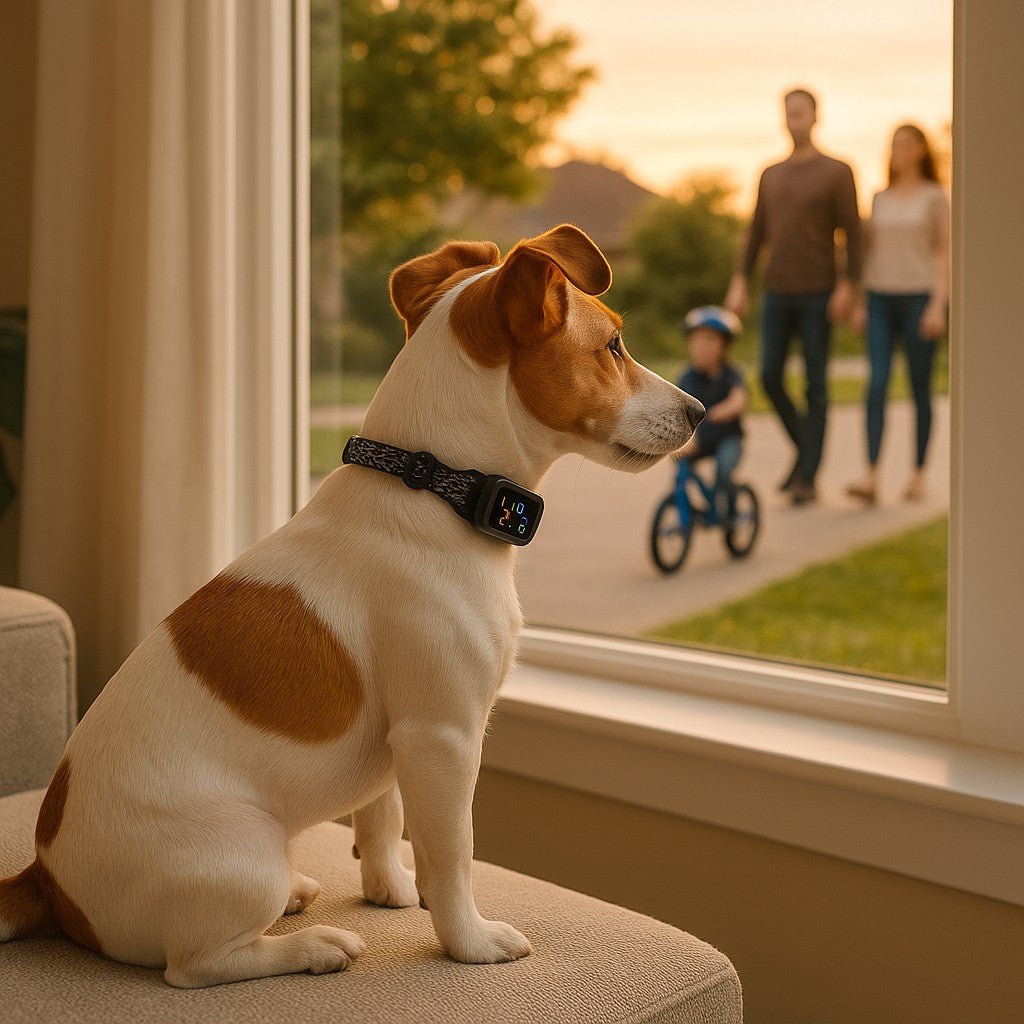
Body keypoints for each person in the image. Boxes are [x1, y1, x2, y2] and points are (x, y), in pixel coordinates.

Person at [725, 88, 863, 505]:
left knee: (815, 386)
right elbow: (756, 230)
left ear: (815, 117)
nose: (793, 121)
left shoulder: (838, 171)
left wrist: (848, 286)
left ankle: (806, 479)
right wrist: (739, 280)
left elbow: (853, 233)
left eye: (800, 113)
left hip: (819, 291)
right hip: (777, 290)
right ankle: (808, 455)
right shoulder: (770, 174)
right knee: (769, 375)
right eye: (788, 114)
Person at [846, 124, 950, 504]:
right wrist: (859, 302)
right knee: (876, 385)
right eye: (894, 145)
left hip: (919, 299)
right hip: (879, 298)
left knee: (919, 388)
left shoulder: (936, 197)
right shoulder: (880, 197)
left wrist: (939, 304)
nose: (898, 151)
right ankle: (871, 476)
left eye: (905, 144)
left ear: (922, 150)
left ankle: (918, 475)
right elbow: (867, 252)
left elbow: (942, 253)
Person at [676, 306, 748, 516]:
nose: (702, 347)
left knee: (724, 470)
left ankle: (731, 508)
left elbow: (739, 398)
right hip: (700, 439)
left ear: (724, 347)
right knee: (681, 464)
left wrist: (728, 408)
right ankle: (690, 507)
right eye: (697, 340)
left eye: (710, 340)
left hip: (727, 438)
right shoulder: (687, 377)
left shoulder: (730, 375)